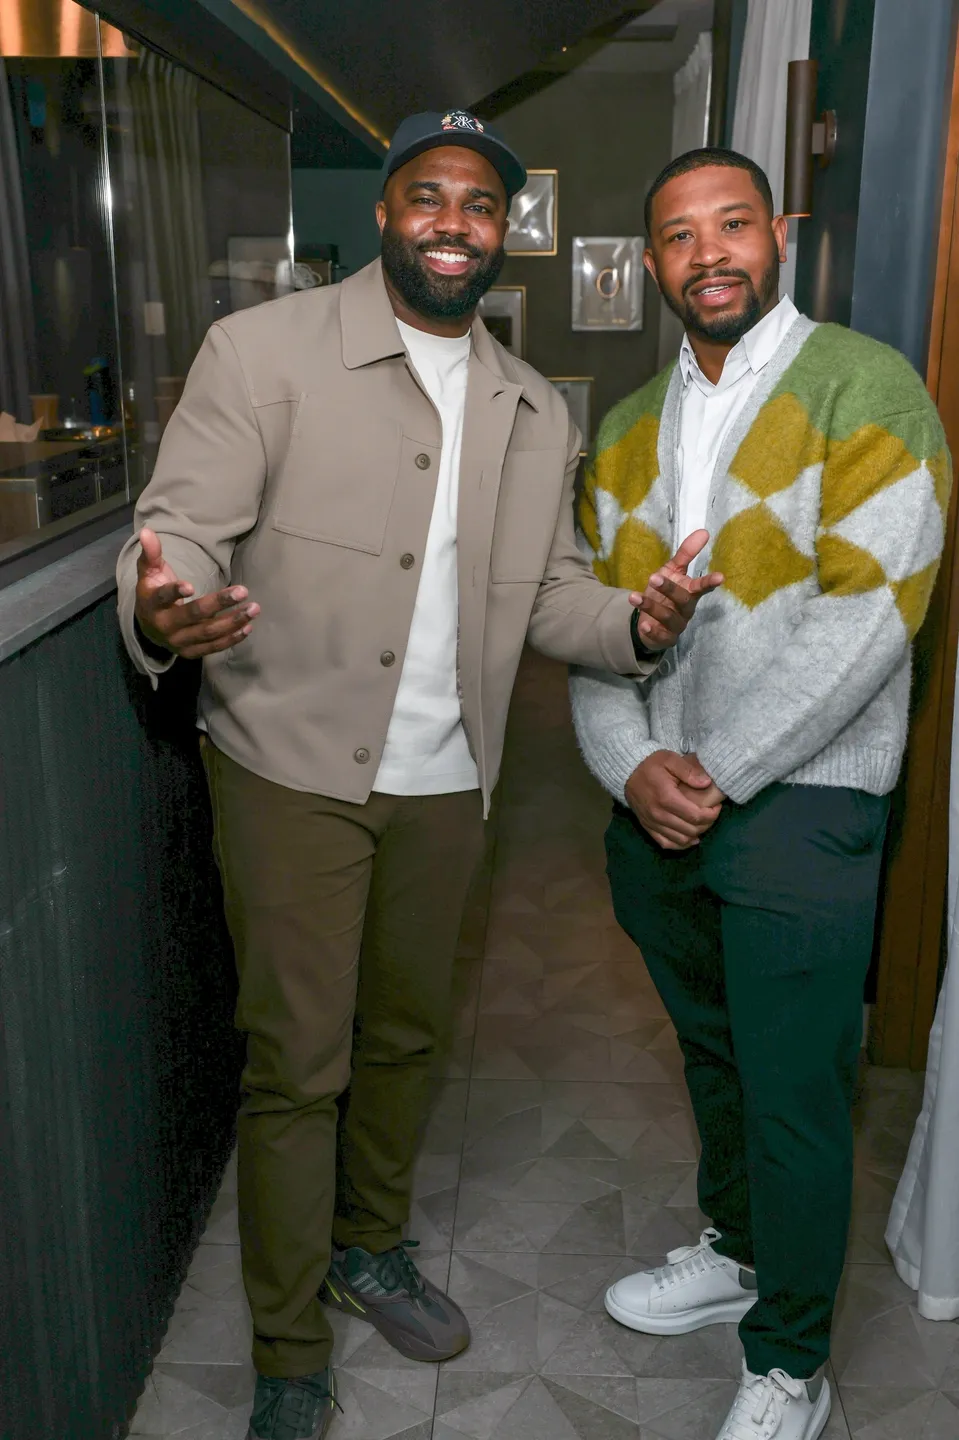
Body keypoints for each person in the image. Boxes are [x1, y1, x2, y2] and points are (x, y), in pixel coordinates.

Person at [116, 112, 719, 1440]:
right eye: (427, 196)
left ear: (503, 234)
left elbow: (544, 596)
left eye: (480, 205)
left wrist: (634, 621)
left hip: (451, 779)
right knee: (297, 1064)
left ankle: (367, 1246)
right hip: (288, 768)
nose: (454, 221)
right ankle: (286, 1349)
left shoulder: (523, 404)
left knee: (402, 1037)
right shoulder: (262, 352)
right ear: (386, 214)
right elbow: (178, 529)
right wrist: (166, 605)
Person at [569, 146, 951, 1440]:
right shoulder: (622, 435)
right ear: (652, 262)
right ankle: (733, 1251)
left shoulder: (866, 388)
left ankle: (789, 1359)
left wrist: (716, 774)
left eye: (731, 223)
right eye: (678, 235)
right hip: (656, 807)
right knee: (714, 1054)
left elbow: (867, 623)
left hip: (801, 801)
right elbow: (594, 634)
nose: (708, 253)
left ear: (776, 234)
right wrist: (633, 767)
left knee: (793, 1091)